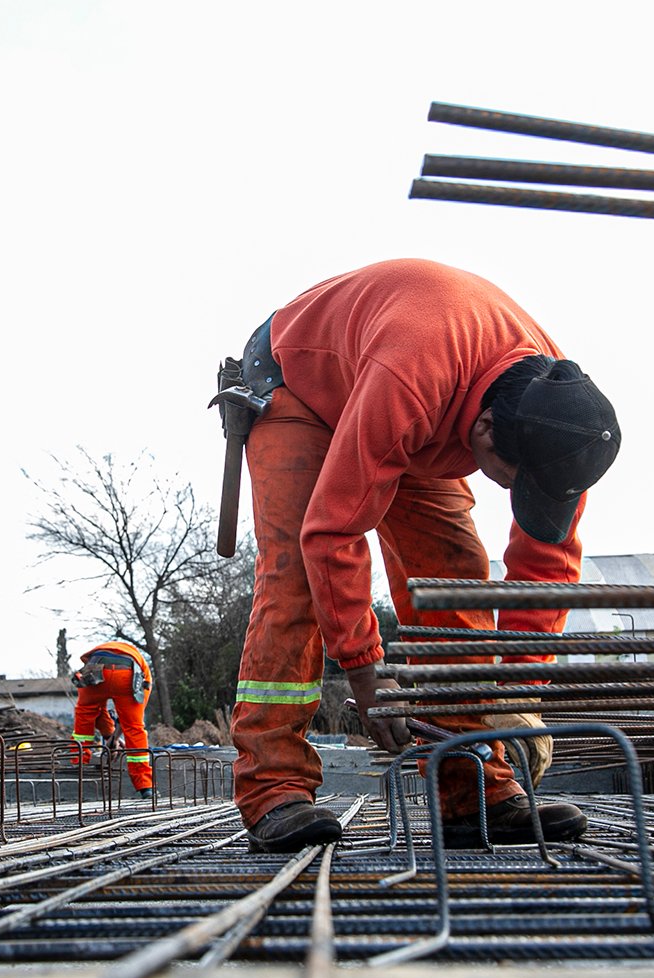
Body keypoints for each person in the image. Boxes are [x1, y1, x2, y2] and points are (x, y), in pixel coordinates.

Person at [223, 259, 621, 852]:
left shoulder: (563, 417)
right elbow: (332, 534)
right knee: (298, 583)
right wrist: (366, 674)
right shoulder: (412, 376)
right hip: (301, 388)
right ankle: (273, 788)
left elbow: (548, 556)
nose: (519, 498)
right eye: (514, 484)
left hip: (413, 399)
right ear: (484, 431)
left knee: (453, 578)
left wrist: (520, 694)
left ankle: (470, 789)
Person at [68, 641, 156, 799]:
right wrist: (113, 737)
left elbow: (99, 710)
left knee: (85, 717)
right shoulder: (145, 675)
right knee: (134, 728)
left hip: (94, 667)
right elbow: (130, 718)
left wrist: (111, 737)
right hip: (126, 672)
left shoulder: (106, 650)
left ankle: (77, 765)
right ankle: (145, 787)